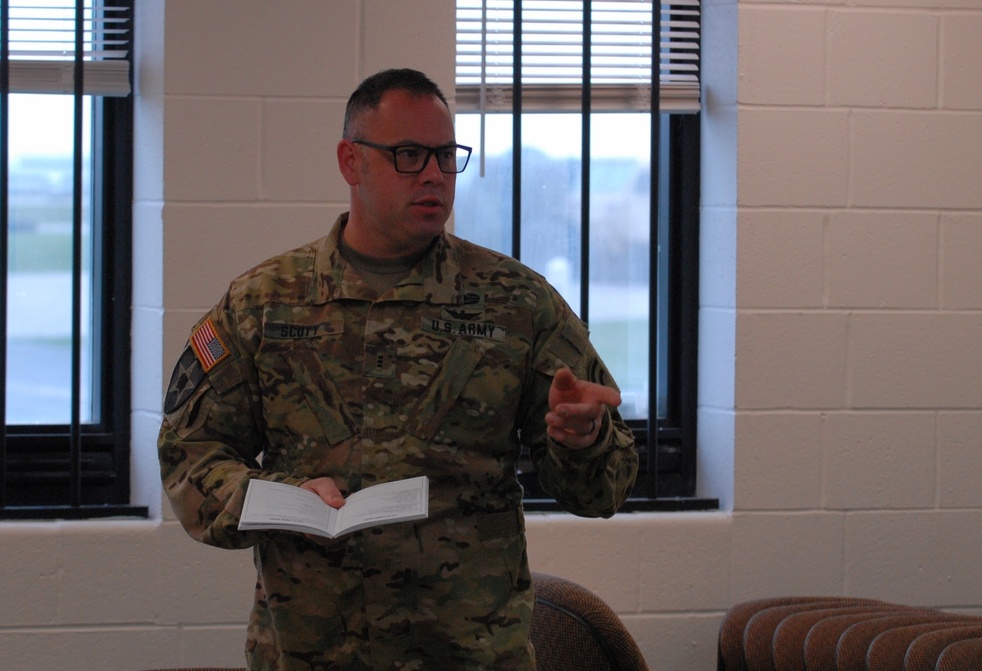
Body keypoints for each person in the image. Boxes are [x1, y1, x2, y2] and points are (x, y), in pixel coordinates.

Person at [158, 68, 638, 671]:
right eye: (409, 155)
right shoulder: (266, 303)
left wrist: (585, 439)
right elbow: (189, 454)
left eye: (444, 155)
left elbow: (604, 489)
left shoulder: (517, 304)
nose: (434, 174)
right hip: (309, 654)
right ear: (350, 161)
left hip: (469, 656)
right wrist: (280, 498)